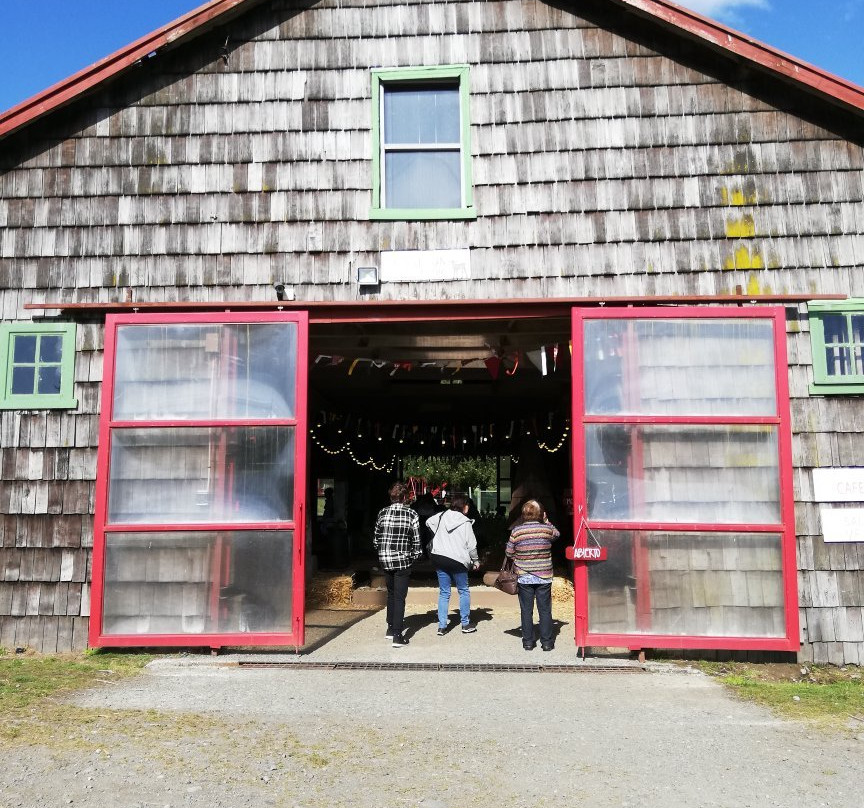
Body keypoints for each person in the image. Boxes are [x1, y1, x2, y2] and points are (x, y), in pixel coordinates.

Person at [506, 499, 560, 651]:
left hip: (524, 576)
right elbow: (557, 534)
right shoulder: (546, 530)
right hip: (544, 576)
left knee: (526, 610)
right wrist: (547, 521)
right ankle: (547, 643)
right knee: (544, 610)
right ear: (540, 514)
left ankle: (528, 642)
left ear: (523, 514)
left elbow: (509, 553)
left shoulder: (516, 531)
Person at [373, 481, 422, 648]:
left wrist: (382, 552)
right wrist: (414, 556)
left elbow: (376, 539)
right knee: (400, 597)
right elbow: (416, 541)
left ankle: (390, 627)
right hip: (402, 559)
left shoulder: (382, 513)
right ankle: (398, 635)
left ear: (391, 496)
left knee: (391, 594)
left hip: (385, 559)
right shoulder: (411, 514)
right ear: (405, 497)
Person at [426, 494, 480, 635]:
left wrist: (440, 537)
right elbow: (471, 546)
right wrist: (475, 561)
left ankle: (442, 626)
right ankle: (465, 624)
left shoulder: (442, 515)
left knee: (444, 592)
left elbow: (429, 522)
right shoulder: (465, 522)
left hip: (440, 557)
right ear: (465, 507)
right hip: (458, 560)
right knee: (463, 590)